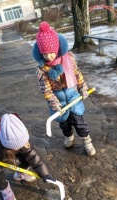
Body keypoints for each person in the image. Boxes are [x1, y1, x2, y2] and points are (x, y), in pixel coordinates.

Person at [32, 21, 96, 156]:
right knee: (64, 123)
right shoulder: (42, 69)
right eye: (45, 54)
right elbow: (46, 89)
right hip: (58, 100)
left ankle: (86, 140)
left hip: (73, 96)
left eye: (51, 53)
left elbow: (77, 74)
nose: (48, 57)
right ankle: (69, 136)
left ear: (56, 49)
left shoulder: (68, 59)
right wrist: (54, 104)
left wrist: (82, 87)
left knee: (79, 121)